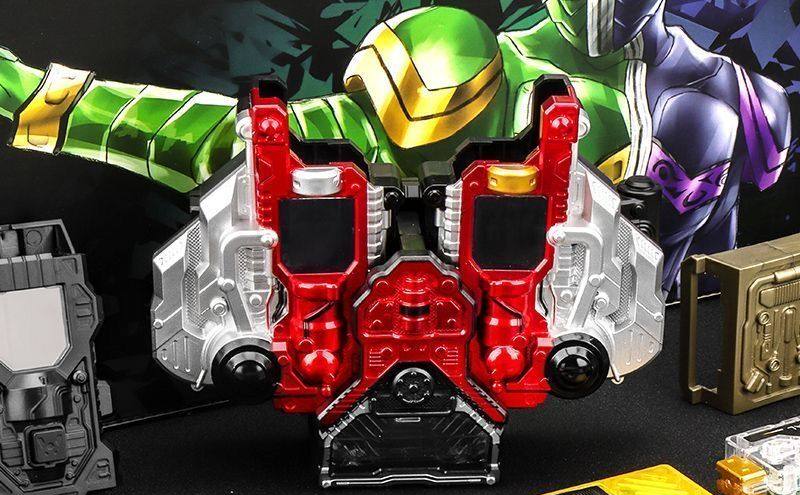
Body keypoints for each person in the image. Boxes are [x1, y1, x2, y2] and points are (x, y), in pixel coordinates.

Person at [0, 3, 790, 293]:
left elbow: (724, 260)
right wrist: (46, 103)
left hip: (612, 338)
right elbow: (229, 142)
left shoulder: (735, 104)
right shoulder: (462, 71)